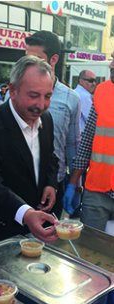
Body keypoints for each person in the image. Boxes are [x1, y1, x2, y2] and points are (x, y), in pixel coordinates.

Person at [0, 55, 59, 243]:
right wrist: (26, 214)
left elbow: (50, 157)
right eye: (33, 95)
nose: (41, 105)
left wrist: (51, 183)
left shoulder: (47, 120)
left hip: (33, 229)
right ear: (13, 90)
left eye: (48, 96)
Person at [24, 31, 81, 217]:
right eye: (27, 59)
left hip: (53, 184)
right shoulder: (14, 93)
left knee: (48, 239)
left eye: (37, 59)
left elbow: (73, 145)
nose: (29, 65)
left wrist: (74, 184)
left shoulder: (70, 98)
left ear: (53, 59)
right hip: (19, 182)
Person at [64, 53, 114, 231]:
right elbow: (86, 143)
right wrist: (73, 183)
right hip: (97, 192)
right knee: (91, 251)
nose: (111, 66)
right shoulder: (102, 92)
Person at [74, 69, 97, 135]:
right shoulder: (84, 96)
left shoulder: (74, 92)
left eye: (95, 81)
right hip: (82, 135)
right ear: (81, 81)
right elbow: (91, 120)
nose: (94, 84)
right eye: (91, 81)